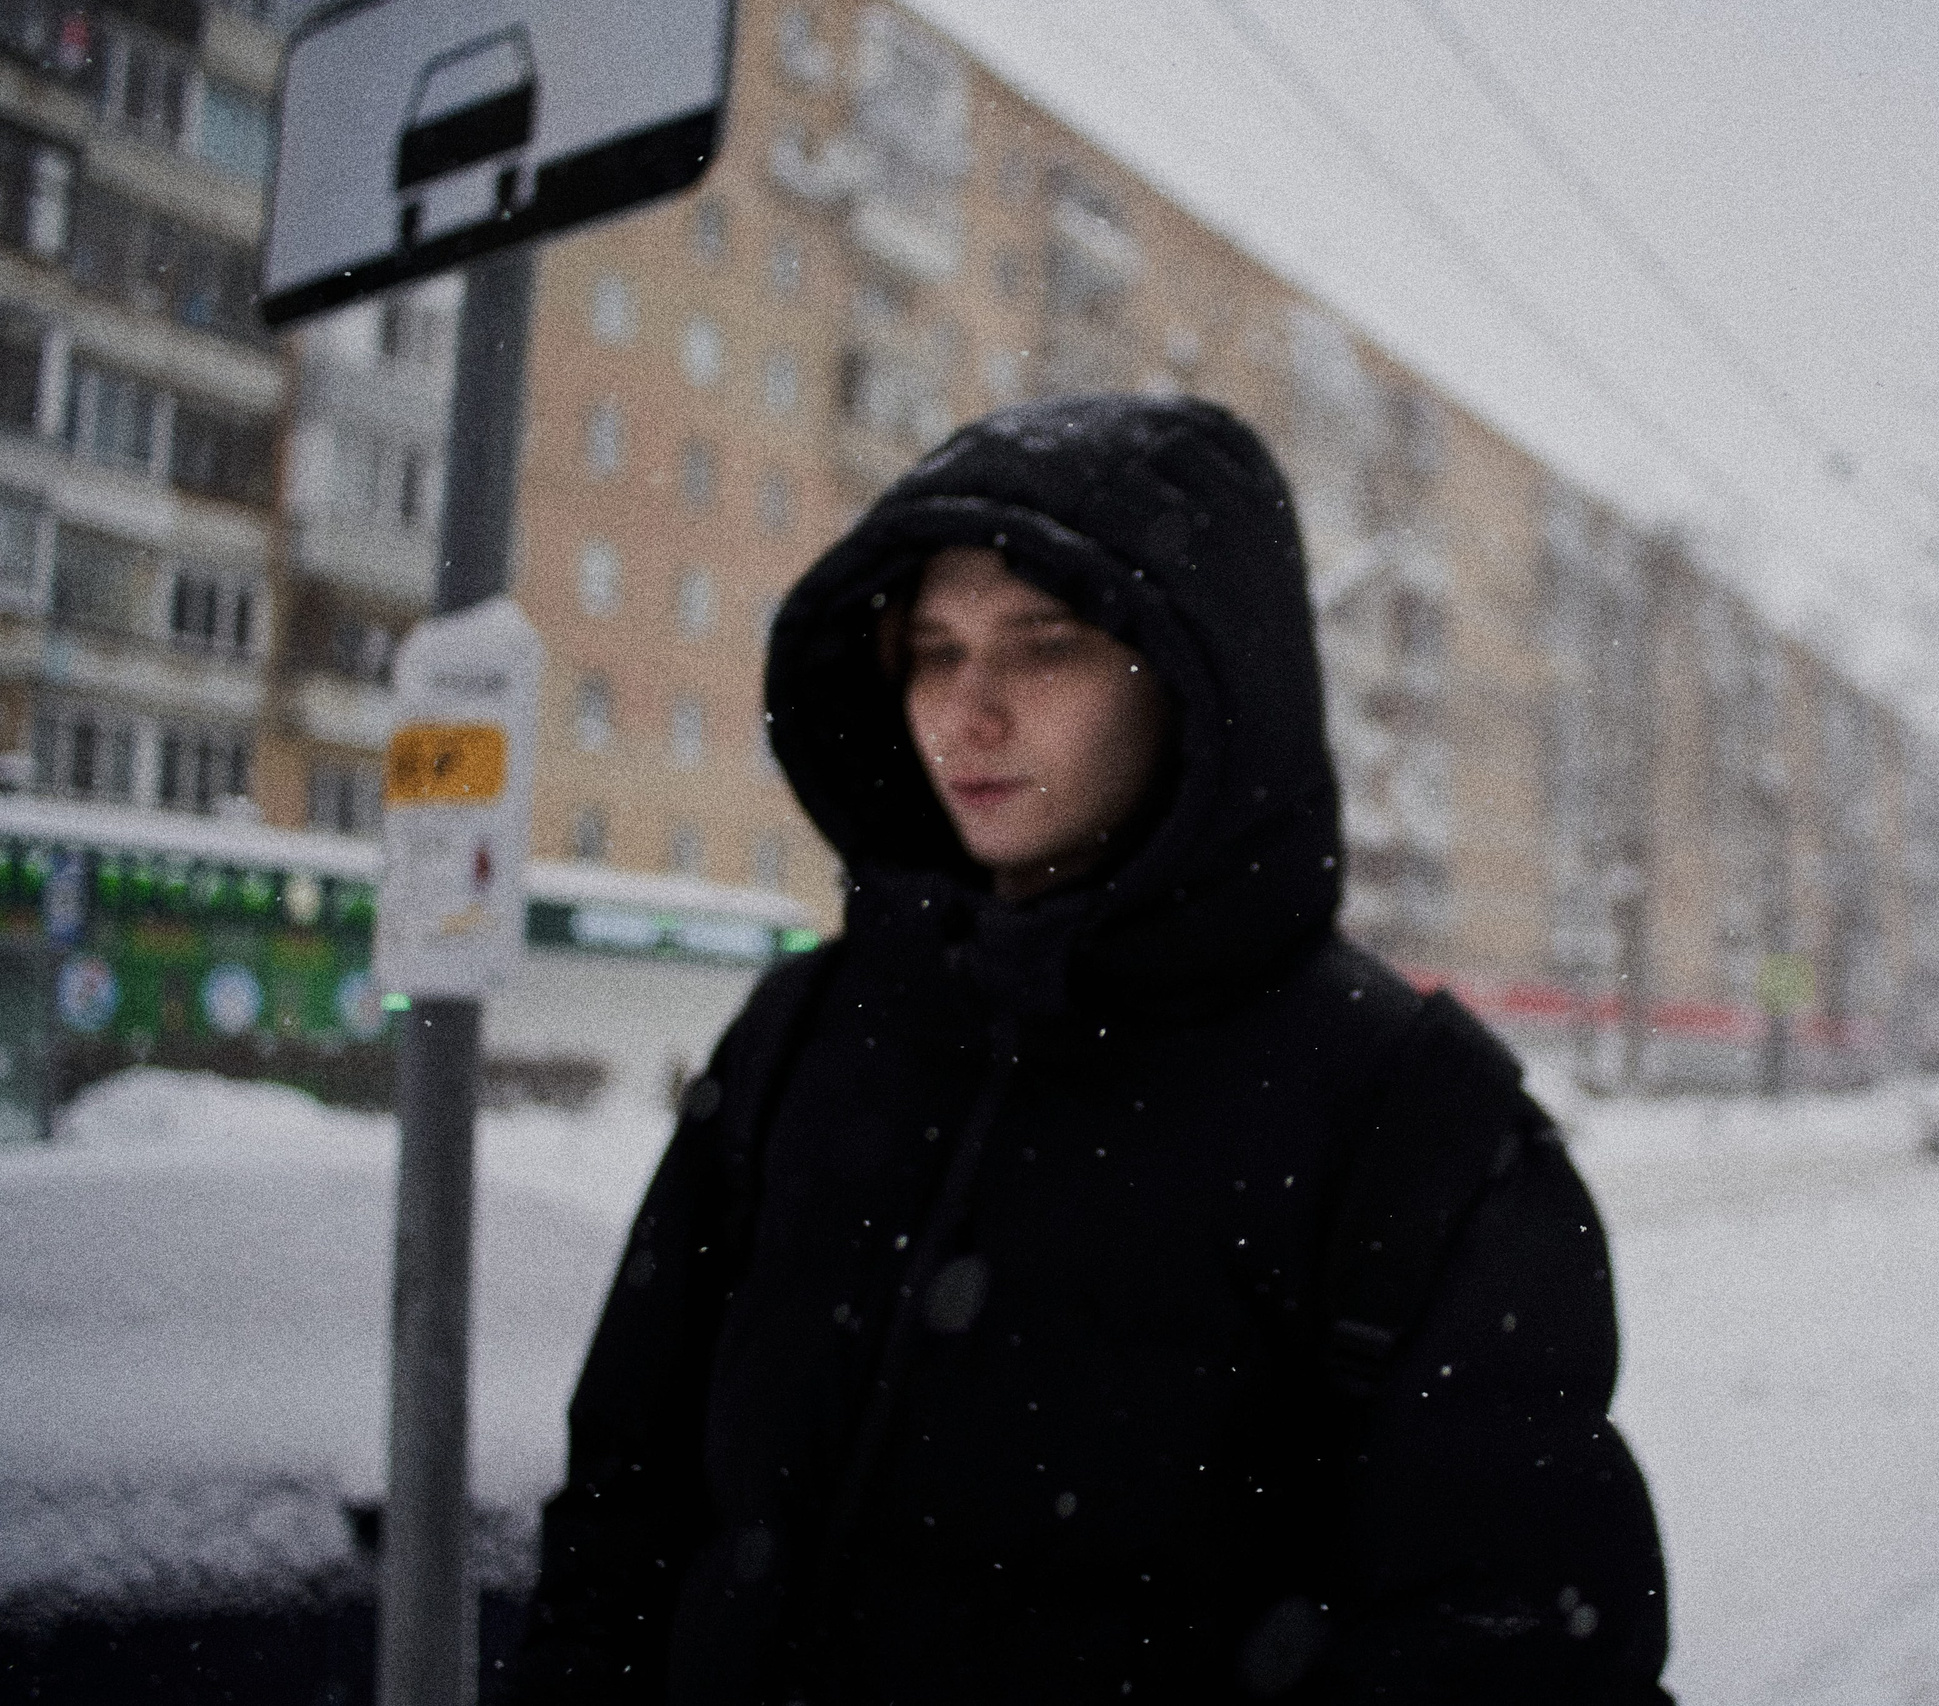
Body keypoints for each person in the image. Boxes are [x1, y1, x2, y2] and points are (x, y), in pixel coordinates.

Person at [503, 394, 1673, 1703]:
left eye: (1042, 643)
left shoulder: (1413, 1116)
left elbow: (1513, 1657)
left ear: (1198, 673)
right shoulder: (808, 1031)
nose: (967, 710)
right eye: (932, 650)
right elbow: (626, 1496)